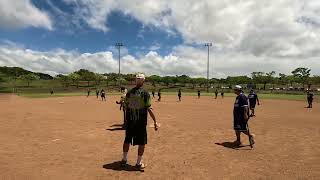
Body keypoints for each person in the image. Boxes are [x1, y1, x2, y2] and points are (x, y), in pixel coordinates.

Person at [121, 73, 159, 170]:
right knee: (142, 143)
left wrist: (125, 120)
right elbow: (149, 108)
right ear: (143, 81)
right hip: (141, 123)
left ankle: (124, 160)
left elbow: (125, 106)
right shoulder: (145, 93)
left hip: (130, 122)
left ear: (135, 81)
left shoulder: (129, 93)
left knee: (127, 140)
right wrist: (155, 121)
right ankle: (138, 163)